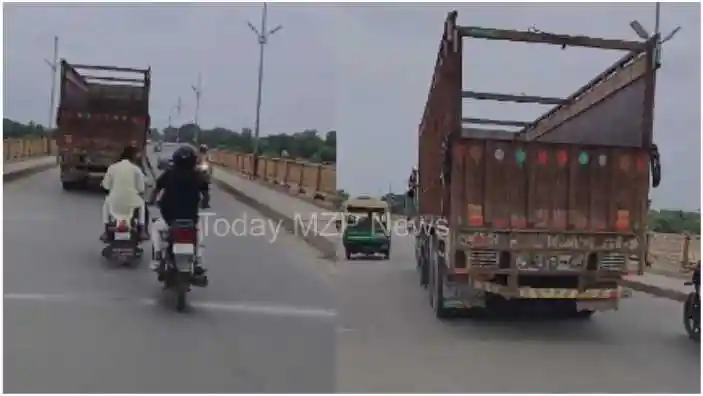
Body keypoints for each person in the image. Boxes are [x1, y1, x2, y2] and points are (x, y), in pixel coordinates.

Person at [148, 145, 210, 273]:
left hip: (169, 219)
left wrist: (151, 201)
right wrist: (204, 203)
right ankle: (198, 260)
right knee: (199, 234)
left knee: (155, 228)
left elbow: (156, 189)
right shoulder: (198, 176)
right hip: (191, 219)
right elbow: (206, 194)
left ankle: (158, 256)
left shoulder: (169, 174)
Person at [100, 145, 149, 241]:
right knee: (142, 205)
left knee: (106, 204)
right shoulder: (136, 169)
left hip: (114, 202)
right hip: (132, 202)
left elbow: (106, 186)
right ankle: (142, 230)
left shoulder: (112, 168)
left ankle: (106, 231)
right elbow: (141, 189)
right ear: (133, 156)